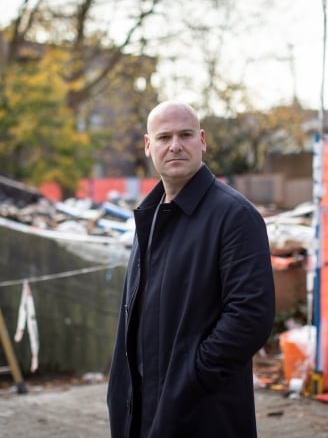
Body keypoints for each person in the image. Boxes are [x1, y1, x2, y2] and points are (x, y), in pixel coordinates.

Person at [106, 101, 276, 437]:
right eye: (164, 137)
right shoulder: (151, 215)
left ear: (202, 140)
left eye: (185, 135)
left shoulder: (234, 216)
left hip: (202, 413)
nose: (175, 146)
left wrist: (190, 378)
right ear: (147, 145)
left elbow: (250, 316)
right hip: (143, 411)